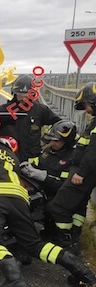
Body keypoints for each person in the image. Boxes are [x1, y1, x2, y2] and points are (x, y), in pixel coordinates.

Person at [0, 135, 96, 287]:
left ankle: (14, 280)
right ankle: (85, 275)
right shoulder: (11, 155)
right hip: (18, 198)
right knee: (34, 244)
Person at [47, 82, 96, 251]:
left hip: (84, 172)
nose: (87, 110)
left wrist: (81, 173)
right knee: (79, 206)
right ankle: (75, 236)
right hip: (87, 172)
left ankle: (65, 241)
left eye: (87, 105)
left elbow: (93, 152)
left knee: (58, 206)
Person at [0, 74, 61, 162]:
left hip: (32, 163)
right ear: (14, 94)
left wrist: (48, 140)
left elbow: (60, 124)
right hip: (7, 160)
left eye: (27, 95)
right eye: (20, 95)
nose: (24, 98)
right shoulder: (2, 111)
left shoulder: (40, 110)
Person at [19, 120, 77, 201]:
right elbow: (38, 163)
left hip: (54, 199)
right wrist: (28, 167)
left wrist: (44, 177)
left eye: (56, 141)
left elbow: (63, 185)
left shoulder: (72, 158)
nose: (52, 143)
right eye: (51, 140)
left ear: (67, 141)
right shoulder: (48, 150)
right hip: (37, 191)